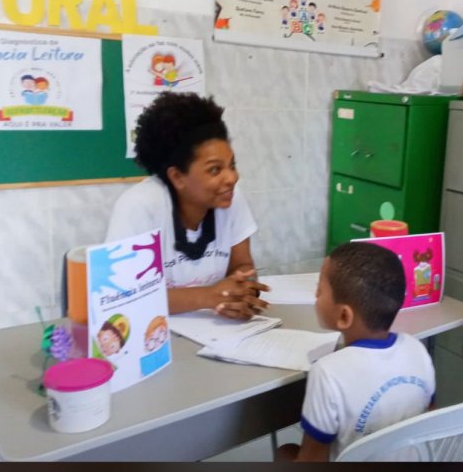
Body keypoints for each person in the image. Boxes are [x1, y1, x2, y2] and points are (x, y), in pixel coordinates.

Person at [106, 92, 270, 318]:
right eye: (215, 169)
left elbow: (242, 264)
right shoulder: (139, 206)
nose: (231, 178)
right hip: (155, 337)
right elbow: (127, 296)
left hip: (217, 335)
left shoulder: (231, 197)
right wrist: (210, 296)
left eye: (231, 165)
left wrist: (245, 290)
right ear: (177, 177)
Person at [277, 242, 435, 461]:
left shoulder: (327, 372)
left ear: (344, 316)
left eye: (320, 290)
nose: (315, 294)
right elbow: (429, 422)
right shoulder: (417, 350)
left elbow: (312, 460)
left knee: (284, 453)